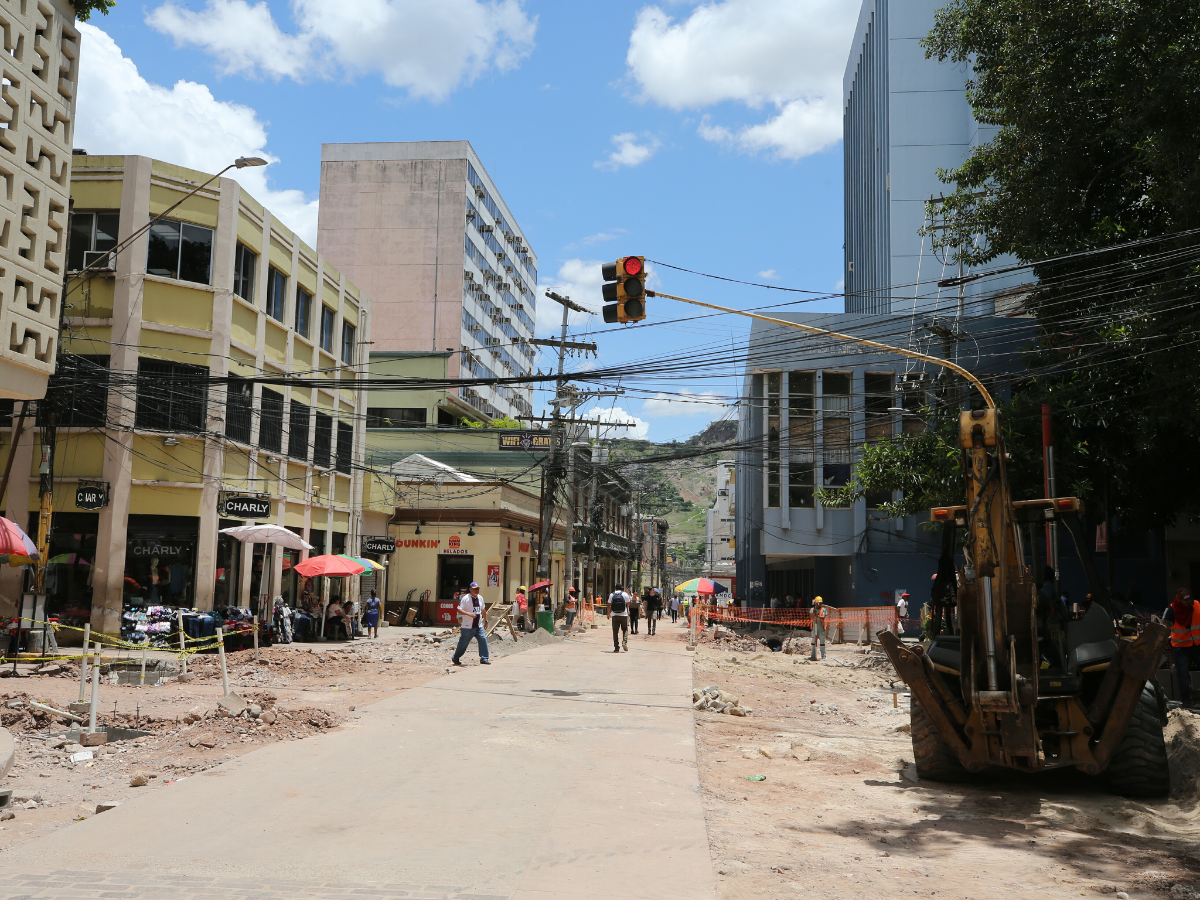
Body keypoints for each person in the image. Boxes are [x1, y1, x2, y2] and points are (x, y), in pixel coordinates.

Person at [1163, 588, 1200, 707]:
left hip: (1197, 645)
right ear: (1179, 601)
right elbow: (1163, 627)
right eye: (1186, 601)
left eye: (1190, 600)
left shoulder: (1197, 605)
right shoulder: (1171, 610)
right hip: (1180, 647)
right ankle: (1186, 700)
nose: (1190, 603)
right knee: (1183, 674)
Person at [451, 582, 490, 666]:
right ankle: (456, 657)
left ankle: (484, 658)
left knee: (483, 639)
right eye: (475, 589)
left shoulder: (480, 598)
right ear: (470, 589)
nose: (477, 590)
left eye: (478, 589)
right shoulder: (466, 599)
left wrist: (486, 621)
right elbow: (459, 610)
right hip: (468, 627)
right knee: (463, 643)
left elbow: (483, 609)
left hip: (479, 625)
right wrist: (469, 614)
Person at [609, 583, 631, 652]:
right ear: (621, 588)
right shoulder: (625, 594)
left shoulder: (612, 594)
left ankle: (616, 647)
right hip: (623, 615)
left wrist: (608, 614)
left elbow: (609, 604)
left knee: (615, 632)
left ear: (615, 588)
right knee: (625, 629)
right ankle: (624, 642)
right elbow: (628, 603)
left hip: (614, 615)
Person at [810, 596, 829, 660]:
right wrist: (814, 613)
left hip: (821, 629)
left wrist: (817, 616)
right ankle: (813, 655)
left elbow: (823, 617)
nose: (816, 604)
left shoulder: (823, 610)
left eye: (818, 603)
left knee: (822, 643)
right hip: (814, 629)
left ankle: (823, 656)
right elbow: (811, 617)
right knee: (813, 643)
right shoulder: (812, 609)